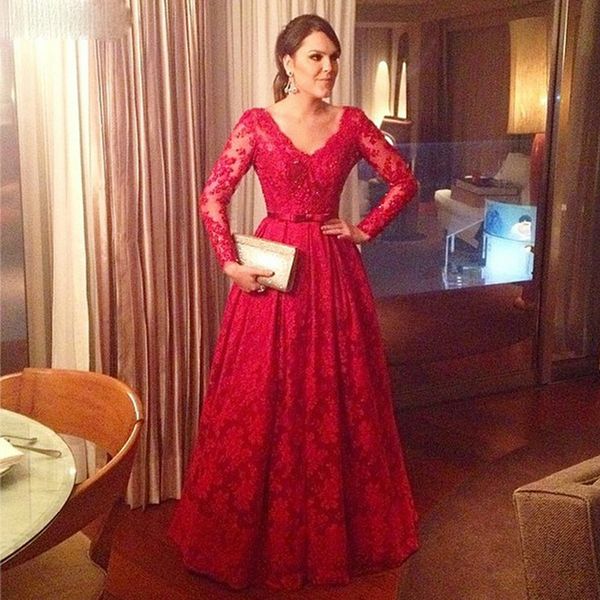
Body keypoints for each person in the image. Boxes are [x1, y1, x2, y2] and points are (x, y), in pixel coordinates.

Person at [169, 13, 419, 591]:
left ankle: (332, 531)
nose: (328, 67)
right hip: (274, 268)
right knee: (263, 393)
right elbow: (212, 197)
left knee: (337, 392)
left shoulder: (351, 122)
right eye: (316, 57)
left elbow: (403, 180)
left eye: (333, 57)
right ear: (288, 63)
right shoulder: (257, 123)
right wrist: (230, 263)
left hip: (332, 269)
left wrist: (364, 228)